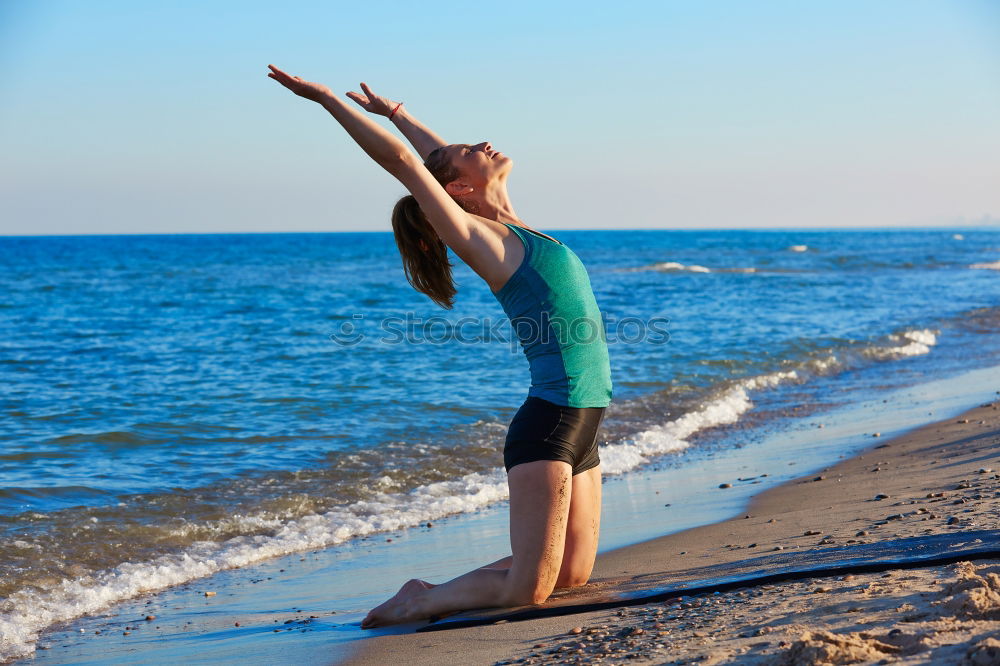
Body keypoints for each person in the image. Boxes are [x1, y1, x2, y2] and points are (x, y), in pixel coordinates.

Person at [266, 65, 613, 628]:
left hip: (586, 415)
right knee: (528, 591)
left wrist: (399, 114)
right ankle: (418, 599)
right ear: (456, 191)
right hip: (553, 420)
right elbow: (409, 166)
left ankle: (444, 588)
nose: (482, 143)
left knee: (571, 575)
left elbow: (431, 156)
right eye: (468, 150)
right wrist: (327, 99)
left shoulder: (514, 224)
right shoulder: (482, 239)